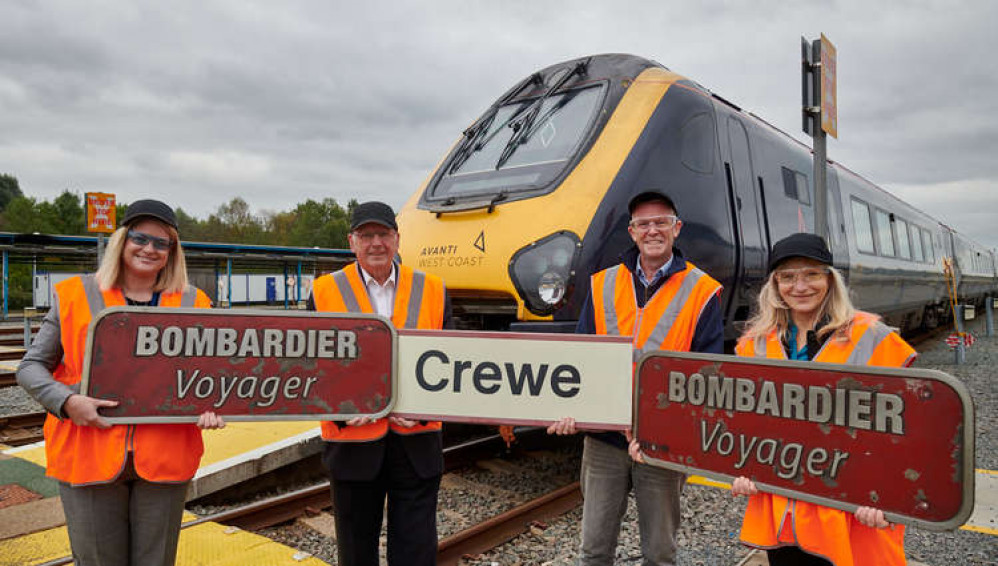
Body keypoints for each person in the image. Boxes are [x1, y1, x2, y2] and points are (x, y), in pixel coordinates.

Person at [17, 199, 224, 566]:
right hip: (88, 452)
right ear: (121, 240)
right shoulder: (75, 295)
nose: (149, 249)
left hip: (166, 457)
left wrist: (213, 405)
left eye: (162, 243)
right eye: (140, 238)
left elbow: (212, 374)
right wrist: (67, 402)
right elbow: (31, 367)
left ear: (173, 252)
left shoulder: (194, 301)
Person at [549, 191, 724, 566]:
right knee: (594, 551)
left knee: (659, 553)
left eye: (661, 222)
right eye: (643, 224)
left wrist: (669, 430)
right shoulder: (602, 285)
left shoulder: (702, 291)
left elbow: (707, 375)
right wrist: (571, 410)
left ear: (677, 228)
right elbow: (580, 361)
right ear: (632, 232)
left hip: (662, 443)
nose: (653, 230)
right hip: (604, 440)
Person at [728, 232, 915, 566]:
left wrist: (889, 497)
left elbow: (907, 428)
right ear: (775, 284)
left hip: (851, 506)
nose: (800, 287)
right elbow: (746, 424)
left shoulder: (872, 337)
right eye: (787, 277)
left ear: (830, 279)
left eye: (811, 274)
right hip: (782, 506)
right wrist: (743, 468)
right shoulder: (754, 343)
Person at [308, 201, 452, 566]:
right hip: (353, 444)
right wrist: (341, 412)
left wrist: (424, 409)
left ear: (397, 239)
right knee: (356, 554)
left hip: (417, 442)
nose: (376, 243)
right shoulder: (324, 292)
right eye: (366, 235)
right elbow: (310, 367)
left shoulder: (433, 289)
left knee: (417, 553)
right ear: (352, 242)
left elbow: (452, 364)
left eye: (383, 234)